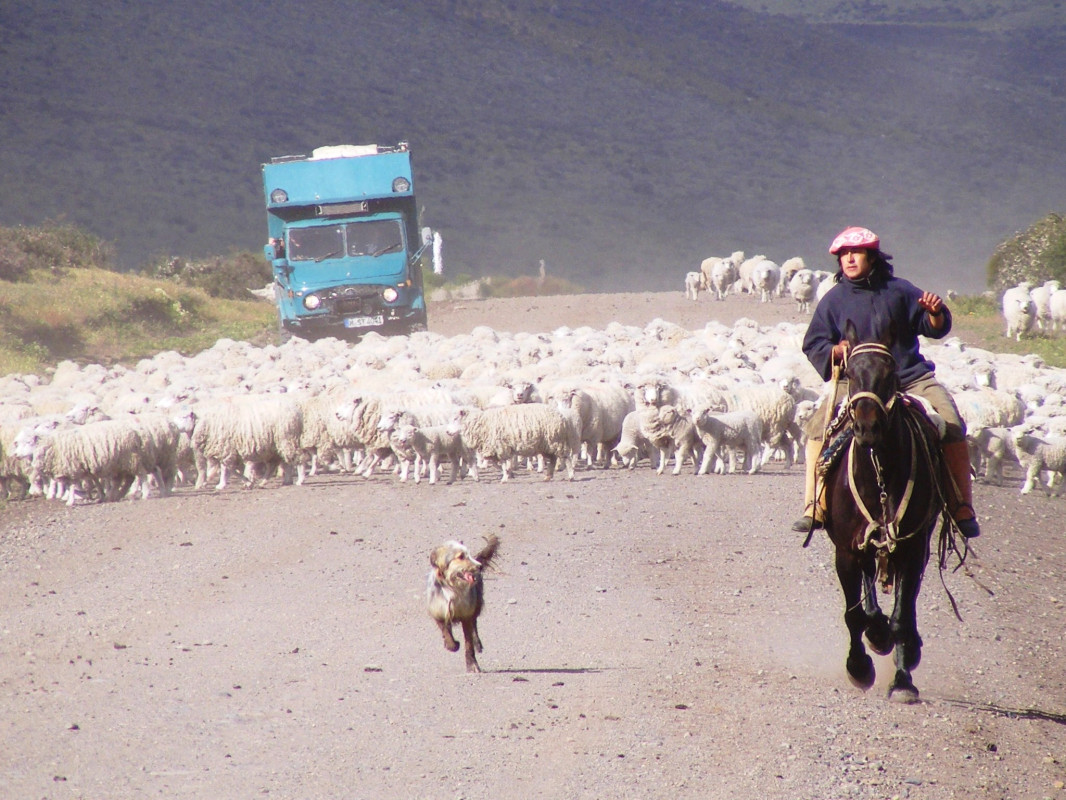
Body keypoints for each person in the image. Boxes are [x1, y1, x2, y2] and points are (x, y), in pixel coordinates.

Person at [791, 226, 980, 539]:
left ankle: (960, 505)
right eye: (843, 255)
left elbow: (931, 325)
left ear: (871, 256)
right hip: (857, 382)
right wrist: (834, 351)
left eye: (856, 253)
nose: (849, 259)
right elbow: (814, 343)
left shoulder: (900, 290)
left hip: (908, 376)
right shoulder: (834, 300)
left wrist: (934, 314)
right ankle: (815, 505)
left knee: (951, 420)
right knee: (816, 427)